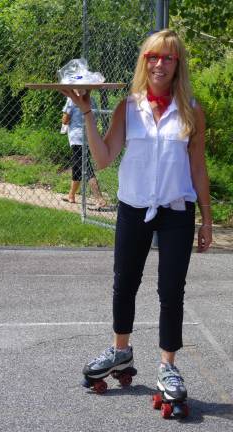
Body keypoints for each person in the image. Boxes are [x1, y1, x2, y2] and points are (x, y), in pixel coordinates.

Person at [60, 30, 212, 401]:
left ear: (178, 65)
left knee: (171, 291)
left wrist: (206, 219)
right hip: (133, 207)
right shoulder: (128, 107)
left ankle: (168, 366)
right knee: (124, 282)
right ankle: (120, 351)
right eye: (153, 57)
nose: (160, 64)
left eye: (168, 58)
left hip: (177, 211)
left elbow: (197, 168)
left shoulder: (191, 110)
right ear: (144, 61)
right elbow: (103, 157)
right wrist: (84, 112)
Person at [61, 97, 107, 208]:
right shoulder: (91, 99)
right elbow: (95, 117)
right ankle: (71, 195)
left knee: (85, 167)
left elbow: (65, 120)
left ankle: (99, 199)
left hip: (77, 138)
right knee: (77, 166)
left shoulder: (71, 98)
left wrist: (67, 118)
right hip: (88, 137)